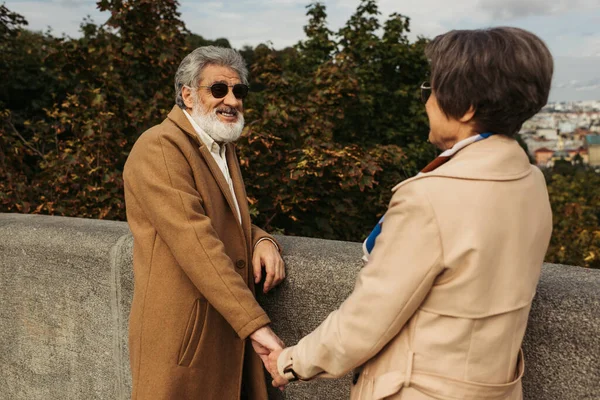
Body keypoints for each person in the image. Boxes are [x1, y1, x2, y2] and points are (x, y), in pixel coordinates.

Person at [266, 27, 554, 400]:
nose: (427, 102)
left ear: (466, 108)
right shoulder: (530, 181)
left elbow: (367, 319)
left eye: (431, 90)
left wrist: (291, 361)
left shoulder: (431, 196)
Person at [123, 46, 286, 400]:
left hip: (218, 333)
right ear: (187, 94)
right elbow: (195, 240)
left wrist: (262, 240)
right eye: (218, 89)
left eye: (238, 91)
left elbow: (221, 217)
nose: (231, 99)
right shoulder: (160, 147)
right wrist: (257, 327)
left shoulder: (218, 145)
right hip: (183, 342)